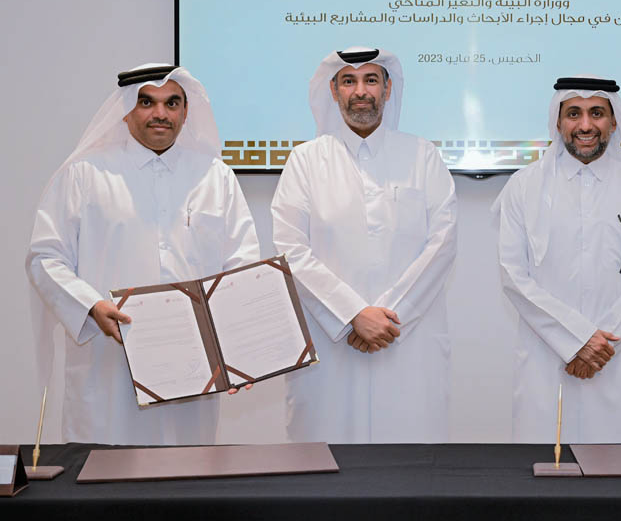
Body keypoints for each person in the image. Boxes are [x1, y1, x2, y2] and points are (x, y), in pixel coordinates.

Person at [26, 64, 260, 444]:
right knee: (107, 489)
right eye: (146, 102)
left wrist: (243, 350)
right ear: (126, 109)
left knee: (187, 483)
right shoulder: (85, 174)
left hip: (195, 369)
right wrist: (90, 307)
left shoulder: (215, 176)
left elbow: (242, 265)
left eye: (172, 103)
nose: (160, 114)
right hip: (109, 365)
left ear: (186, 112)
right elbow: (45, 257)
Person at [272, 46, 457, 443]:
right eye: (349, 81)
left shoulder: (423, 156)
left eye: (371, 80)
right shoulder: (304, 161)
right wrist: (352, 313)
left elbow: (442, 243)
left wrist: (386, 319)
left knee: (411, 469)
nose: (361, 91)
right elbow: (291, 250)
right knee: (325, 466)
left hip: (407, 341)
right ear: (334, 92)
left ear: (387, 90)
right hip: (331, 343)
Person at [493, 77, 621, 443]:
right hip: (546, 361)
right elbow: (514, 276)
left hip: (620, 361)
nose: (585, 125)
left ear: (614, 122)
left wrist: (597, 347)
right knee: (545, 481)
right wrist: (575, 340)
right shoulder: (523, 188)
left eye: (597, 113)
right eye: (574, 113)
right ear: (558, 122)